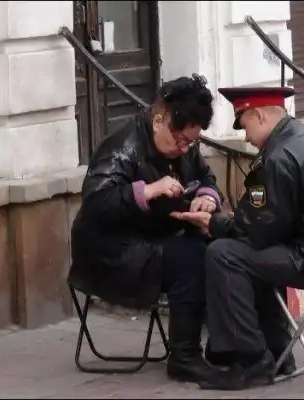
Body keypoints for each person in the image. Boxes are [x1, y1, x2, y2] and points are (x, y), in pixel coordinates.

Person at [171, 86, 304, 390]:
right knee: (257, 256)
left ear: (260, 115)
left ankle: (251, 360)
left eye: (245, 125)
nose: (246, 137)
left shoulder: (278, 157)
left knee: (224, 254)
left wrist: (214, 224)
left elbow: (259, 229)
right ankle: (277, 349)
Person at [69, 74, 223, 383]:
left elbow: (206, 178)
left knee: (218, 248)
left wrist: (207, 198)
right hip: (111, 251)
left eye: (191, 142)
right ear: (159, 121)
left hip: (153, 236)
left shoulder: (183, 146)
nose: (185, 149)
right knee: (188, 258)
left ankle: (223, 346)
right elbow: (97, 202)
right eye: (181, 140)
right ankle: (184, 357)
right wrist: (148, 191)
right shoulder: (120, 147)